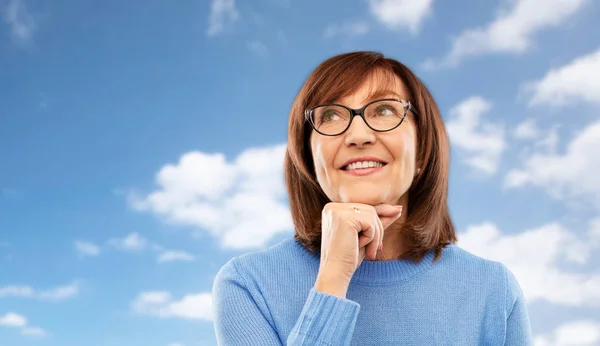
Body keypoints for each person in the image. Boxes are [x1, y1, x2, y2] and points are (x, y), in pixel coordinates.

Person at [212, 51, 532, 345]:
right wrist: (334, 277)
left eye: (384, 110)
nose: (359, 135)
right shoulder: (248, 285)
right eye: (331, 115)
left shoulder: (492, 290)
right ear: (308, 158)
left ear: (423, 150)